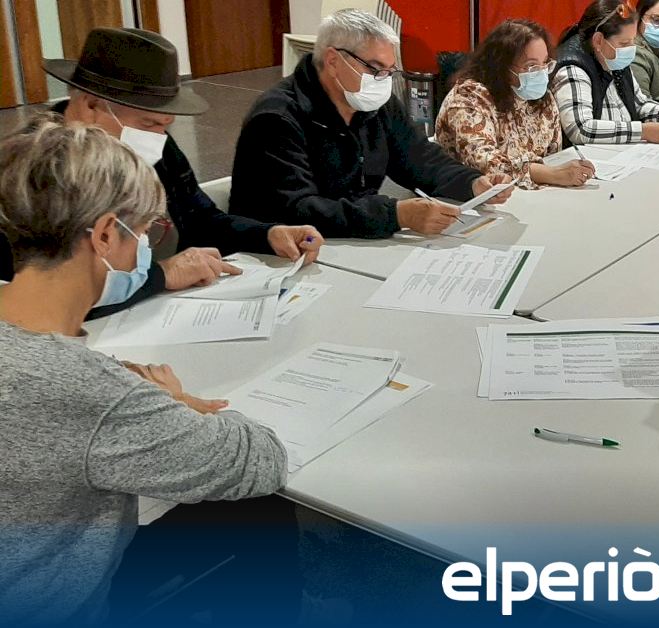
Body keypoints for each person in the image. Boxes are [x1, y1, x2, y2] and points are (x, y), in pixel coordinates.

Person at [0, 119, 288, 625]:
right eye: (149, 232)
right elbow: (260, 460)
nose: (150, 250)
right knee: (260, 507)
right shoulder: (90, 391)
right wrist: (178, 405)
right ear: (105, 234)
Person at [0, 27, 324, 319]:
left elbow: (201, 217)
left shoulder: (154, 145)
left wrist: (267, 234)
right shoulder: (29, 172)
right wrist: (162, 275)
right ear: (90, 105)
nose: (158, 137)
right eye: (148, 123)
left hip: (166, 311)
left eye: (164, 125)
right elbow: (34, 295)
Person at [229, 9, 513, 239]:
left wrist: (472, 183)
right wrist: (394, 215)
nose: (383, 81)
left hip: (352, 240)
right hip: (281, 252)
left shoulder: (376, 105)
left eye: (390, 71)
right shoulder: (277, 119)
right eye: (376, 69)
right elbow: (296, 209)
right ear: (333, 60)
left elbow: (420, 159)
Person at [436, 19, 595, 189]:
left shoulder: (542, 96)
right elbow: (483, 162)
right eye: (531, 66)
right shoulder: (469, 97)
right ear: (502, 67)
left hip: (532, 193)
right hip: (471, 195)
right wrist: (553, 174)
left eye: (545, 63)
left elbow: (552, 156)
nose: (542, 73)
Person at [552, 0, 659, 145]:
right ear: (598, 41)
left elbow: (639, 103)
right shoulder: (573, 67)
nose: (630, 48)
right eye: (624, 43)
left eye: (632, 41)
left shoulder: (615, 59)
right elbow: (581, 128)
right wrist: (642, 131)